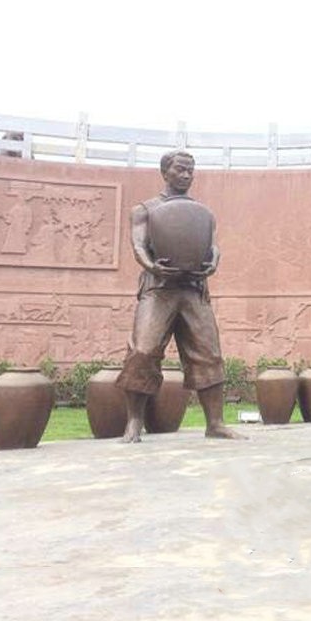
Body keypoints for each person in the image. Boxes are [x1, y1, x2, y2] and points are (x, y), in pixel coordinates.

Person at [116, 150, 243, 442]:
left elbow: (212, 246)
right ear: (165, 172)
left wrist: (213, 262)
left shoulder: (203, 213)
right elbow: (138, 247)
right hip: (159, 290)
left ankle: (215, 424)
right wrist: (152, 266)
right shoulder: (144, 209)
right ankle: (134, 421)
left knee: (209, 352)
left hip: (193, 289)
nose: (186, 175)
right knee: (142, 351)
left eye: (190, 170)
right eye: (180, 169)